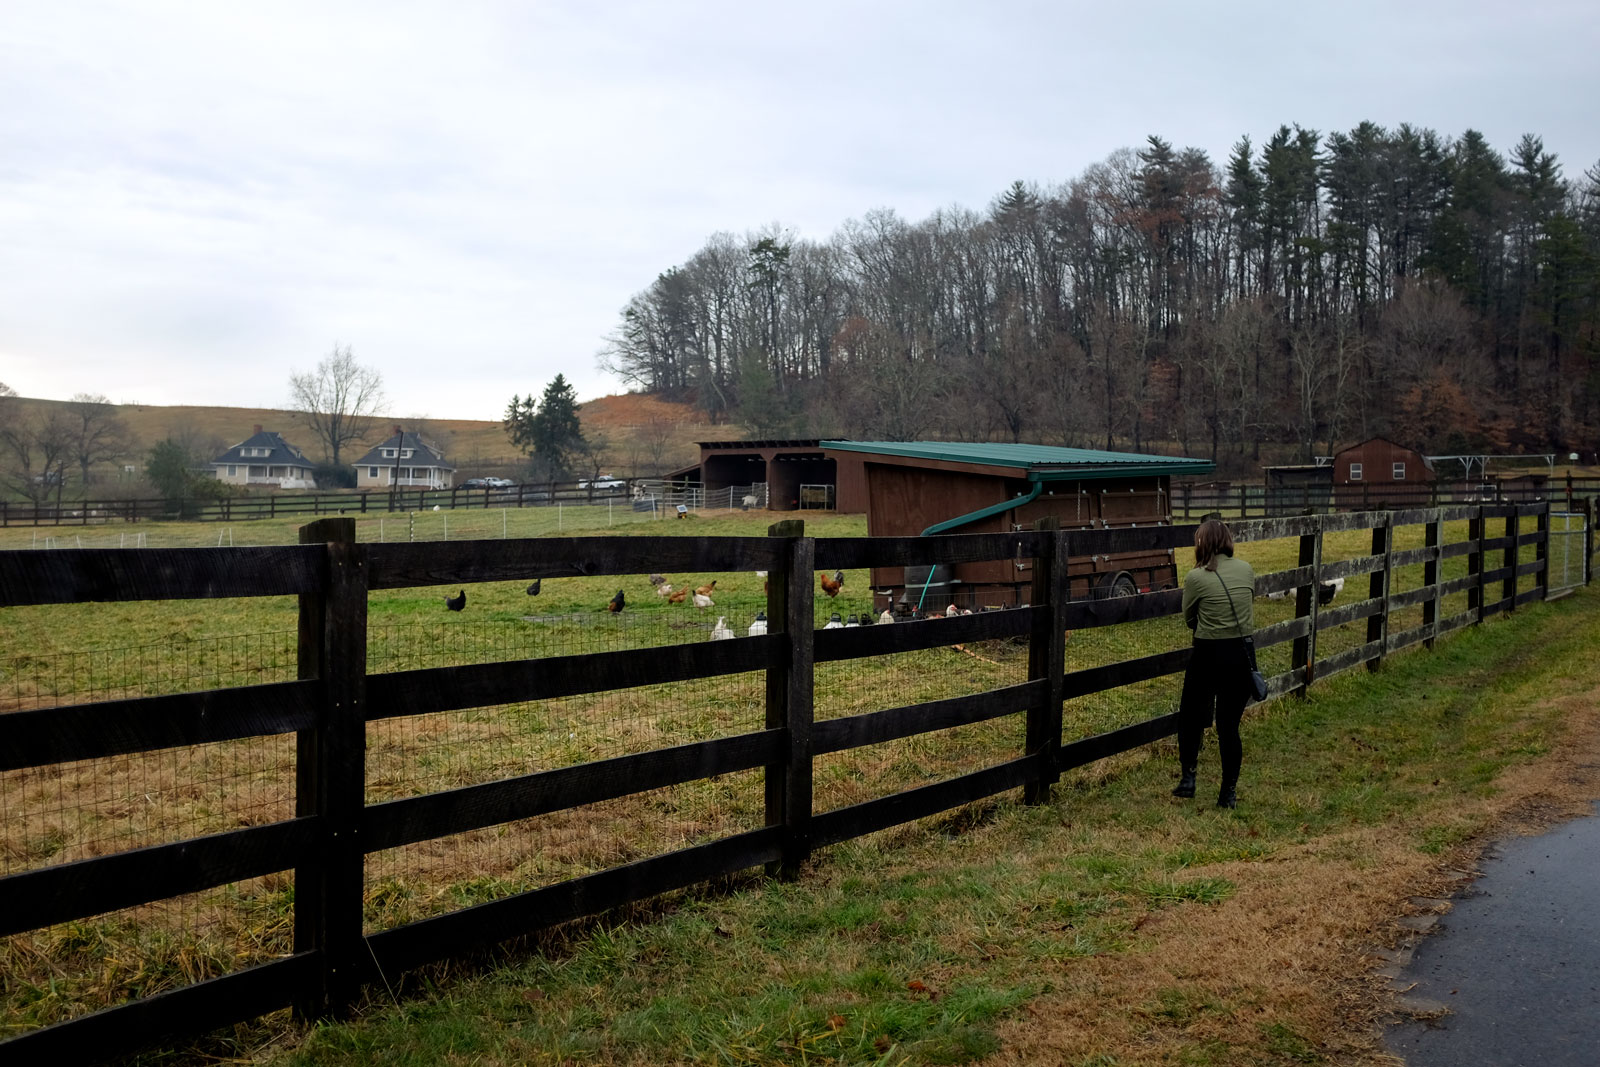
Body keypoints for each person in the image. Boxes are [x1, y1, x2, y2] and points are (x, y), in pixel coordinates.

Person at [1173, 518, 1255, 808]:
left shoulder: (1196, 577)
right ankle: (1228, 792)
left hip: (1208, 653)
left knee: (1191, 715)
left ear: (1202, 543)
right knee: (1229, 726)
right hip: (1242, 655)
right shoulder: (1246, 569)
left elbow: (1189, 618)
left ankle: (1189, 777)